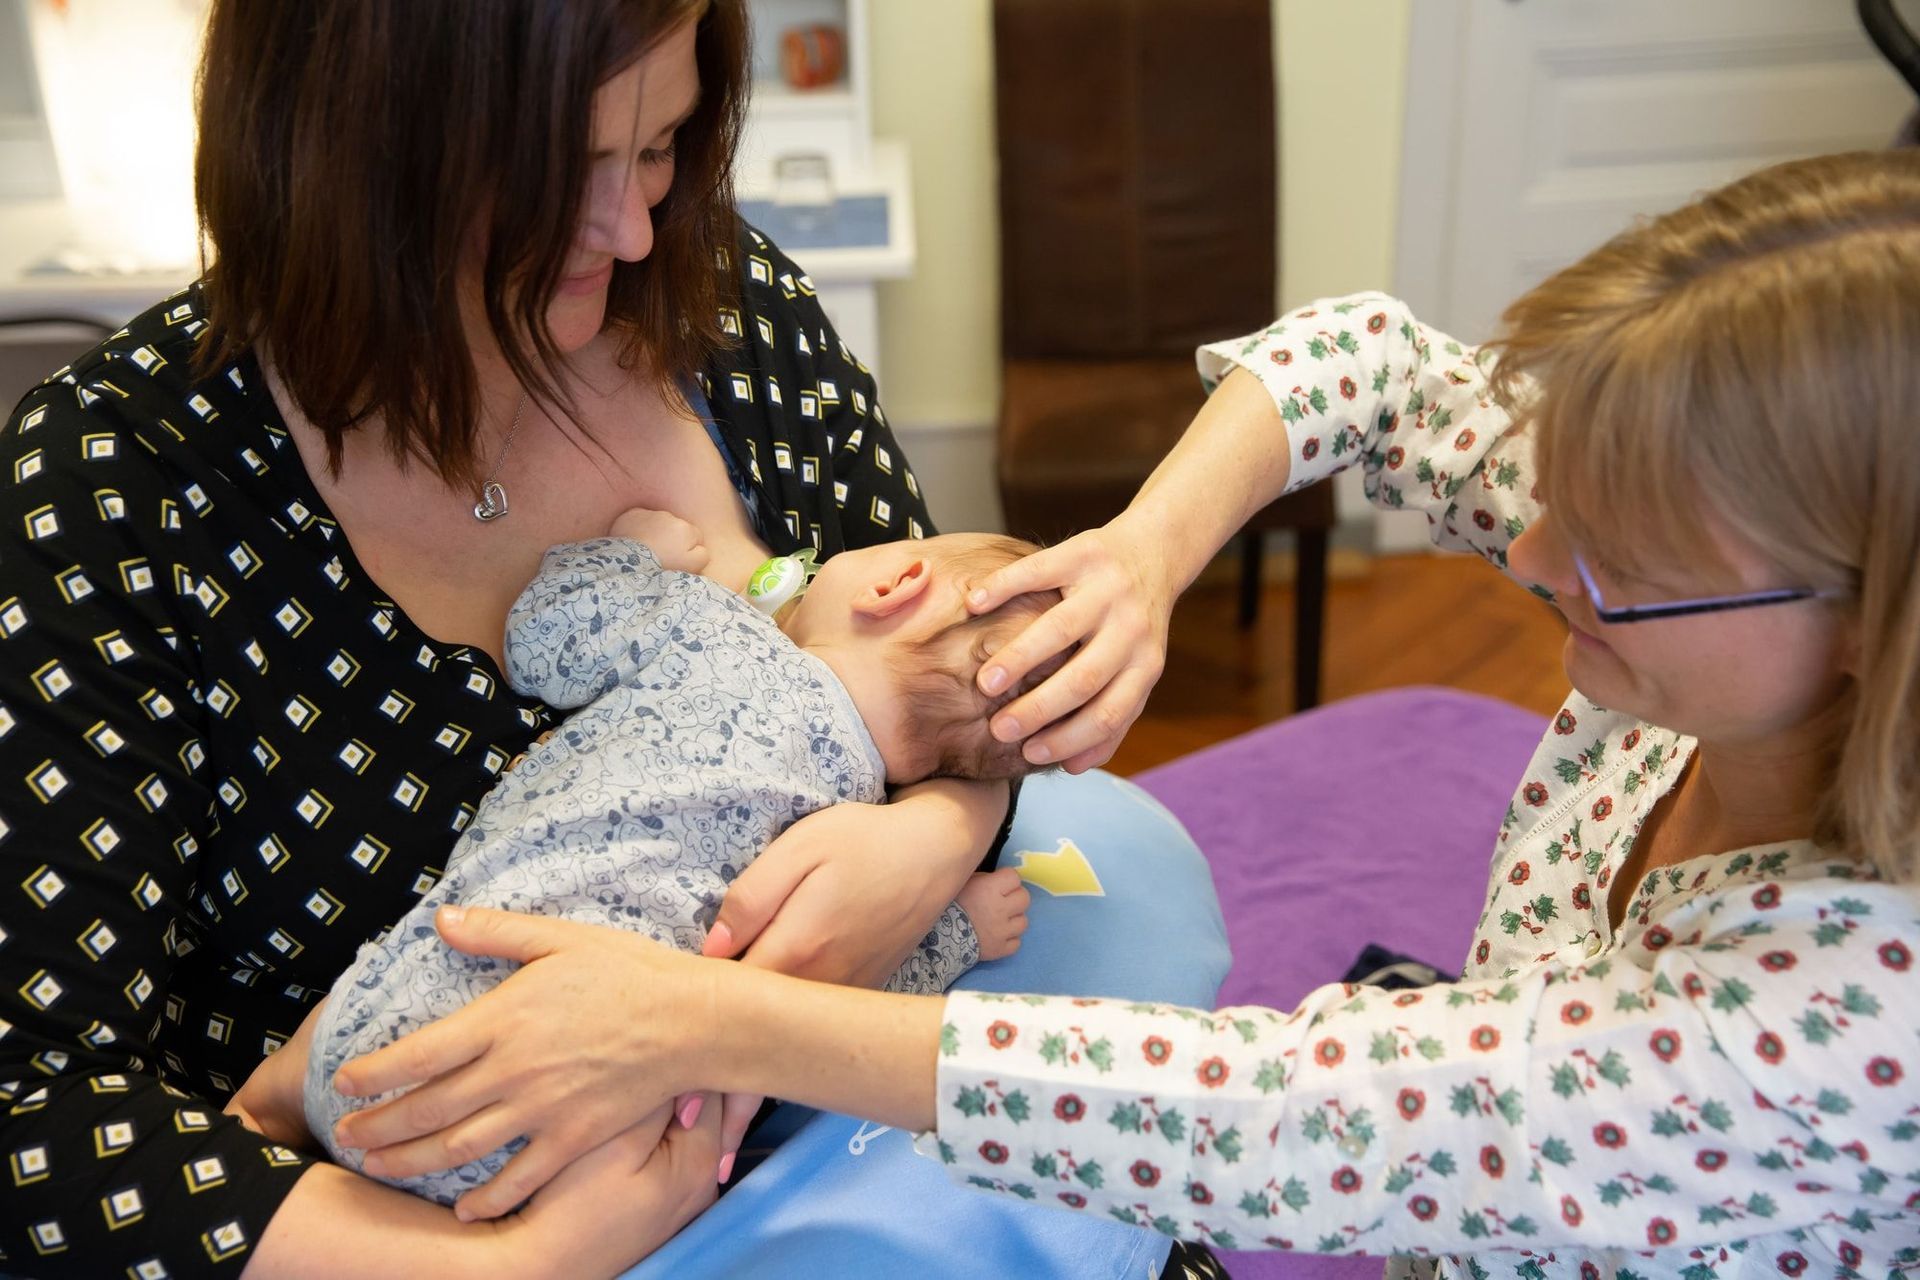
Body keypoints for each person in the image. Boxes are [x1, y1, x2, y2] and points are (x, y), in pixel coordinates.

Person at [327, 151, 1920, 1280]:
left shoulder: (1849, 1025)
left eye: (1614, 564)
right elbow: (1363, 361)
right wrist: (1145, 560)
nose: (1525, 552)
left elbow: (1281, 1120)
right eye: (1548, 485)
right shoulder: (1698, 549)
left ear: (1868, 628)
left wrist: (704, 1013)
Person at [0, 2, 1229, 1275]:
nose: (634, 226)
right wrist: (521, 1266)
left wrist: (923, 843)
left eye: (662, 147)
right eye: (568, 171)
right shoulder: (115, 490)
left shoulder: (736, 314)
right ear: (359, 146)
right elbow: (37, 1122)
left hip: (873, 1168)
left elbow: (956, 674)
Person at [238, 526, 1048, 1205]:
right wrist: (959, 932)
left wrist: (630, 551)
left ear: (897, 580)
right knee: (698, 1137)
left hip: (401, 1007)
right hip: (566, 1142)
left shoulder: (716, 628)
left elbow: (543, 641)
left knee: (438, 932)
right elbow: (828, 1004)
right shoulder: (854, 833)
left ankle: (267, 1100)